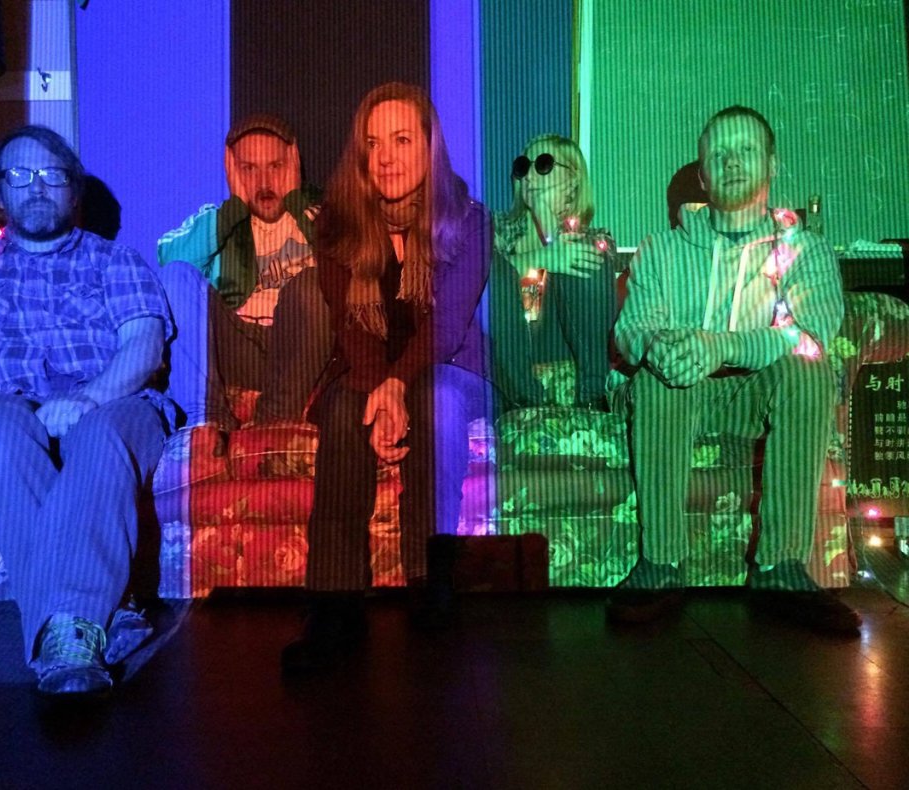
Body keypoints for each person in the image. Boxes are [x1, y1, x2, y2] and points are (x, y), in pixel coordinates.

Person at [608, 106, 860, 634]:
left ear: (772, 164)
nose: (732, 161)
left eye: (746, 149)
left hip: (759, 394)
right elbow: (631, 331)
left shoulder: (804, 250)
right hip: (682, 395)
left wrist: (720, 346)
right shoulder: (661, 249)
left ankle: (780, 568)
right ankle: (661, 563)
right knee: (658, 376)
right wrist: (658, 346)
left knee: (809, 370)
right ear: (702, 175)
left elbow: (810, 334)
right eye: (719, 153)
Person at [0, 125, 174, 696]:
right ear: (0, 194)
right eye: (20, 175)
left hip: (113, 401)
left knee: (99, 434)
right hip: (11, 407)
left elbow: (143, 345)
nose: (37, 186)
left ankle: (72, 632)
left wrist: (89, 398)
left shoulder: (115, 260)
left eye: (51, 174)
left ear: (73, 191)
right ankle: (104, 613)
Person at [281, 82, 496, 672]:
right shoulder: (336, 225)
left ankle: (430, 583)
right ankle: (334, 603)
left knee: (435, 399)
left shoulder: (470, 220)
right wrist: (381, 386)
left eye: (401, 140)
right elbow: (349, 325)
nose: (386, 158)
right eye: (373, 144)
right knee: (342, 410)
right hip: (368, 368)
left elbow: (446, 327)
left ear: (430, 147)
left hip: (450, 369)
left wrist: (396, 386)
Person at [156, 114, 331, 429]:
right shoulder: (219, 221)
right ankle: (208, 423)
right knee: (176, 275)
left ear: (293, 164)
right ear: (232, 170)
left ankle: (273, 420)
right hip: (239, 348)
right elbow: (170, 262)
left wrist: (295, 200)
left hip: (300, 351)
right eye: (249, 169)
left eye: (275, 166)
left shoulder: (326, 214)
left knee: (314, 283)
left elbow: (347, 263)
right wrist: (235, 207)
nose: (264, 183)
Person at [494, 134, 618, 409]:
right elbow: (483, 278)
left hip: (568, 351)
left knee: (586, 258)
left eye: (543, 164)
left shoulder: (596, 239)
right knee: (493, 271)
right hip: (514, 361)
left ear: (573, 180)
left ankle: (592, 397)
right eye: (523, 167)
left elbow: (590, 263)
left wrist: (548, 224)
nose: (529, 175)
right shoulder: (495, 232)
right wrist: (542, 258)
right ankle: (524, 401)